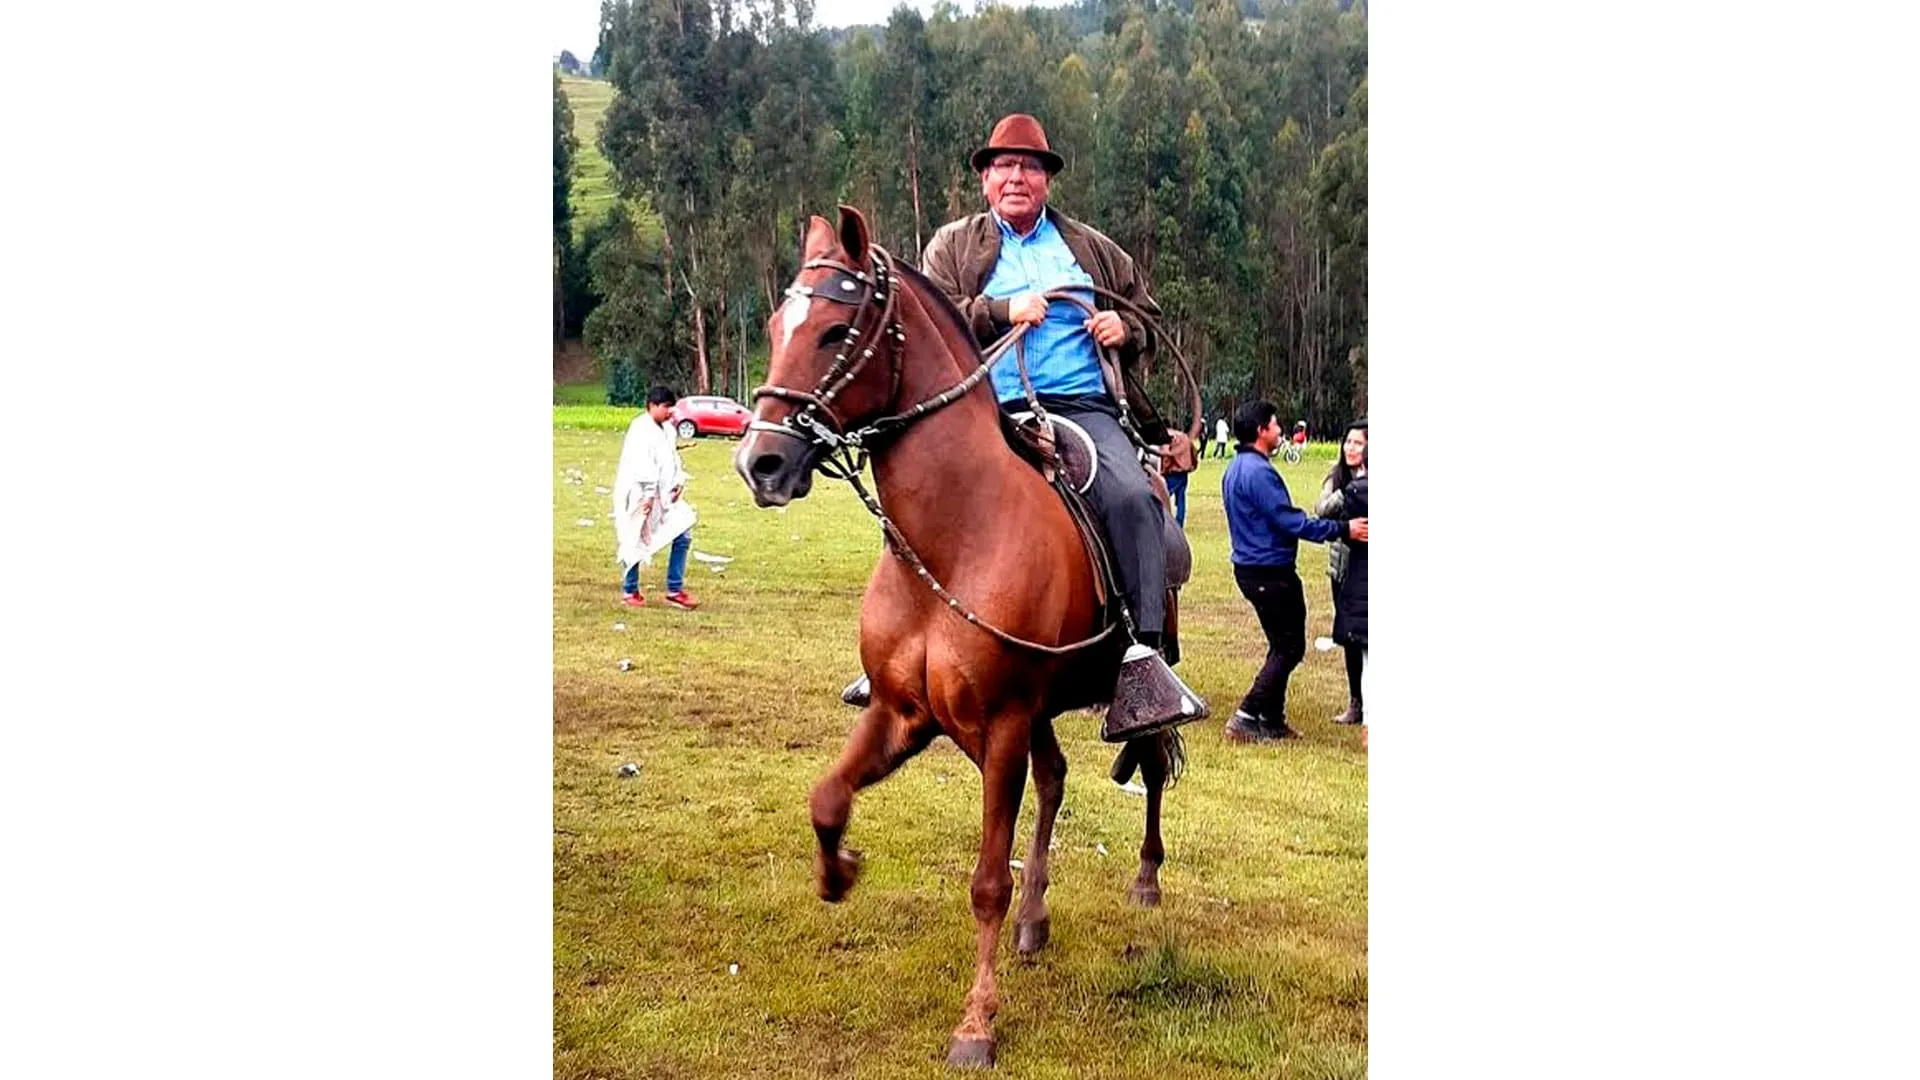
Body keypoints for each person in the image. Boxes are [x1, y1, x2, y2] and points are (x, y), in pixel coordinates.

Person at [917, 112, 1203, 737]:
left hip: (1082, 408)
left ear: (1047, 179)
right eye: (1004, 166)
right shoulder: (952, 246)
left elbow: (1147, 317)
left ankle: (1145, 663)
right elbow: (931, 320)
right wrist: (1001, 310)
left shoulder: (1091, 249)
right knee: (918, 496)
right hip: (986, 411)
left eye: (1029, 166)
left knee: (1133, 499)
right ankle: (903, 646)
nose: (1016, 177)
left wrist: (1125, 329)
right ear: (985, 179)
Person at [1220, 401, 1366, 742]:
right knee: (1289, 648)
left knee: (1280, 644)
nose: (1280, 430)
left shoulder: (1236, 468)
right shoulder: (1259, 473)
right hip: (1270, 572)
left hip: (1251, 569)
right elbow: (1290, 522)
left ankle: (1272, 719)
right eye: (1275, 424)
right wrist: (1343, 529)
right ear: (1261, 431)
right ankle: (1246, 715)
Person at [613, 385, 701, 610]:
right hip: (639, 494)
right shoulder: (640, 429)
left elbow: (672, 459)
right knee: (634, 538)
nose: (670, 411)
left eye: (672, 407)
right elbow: (642, 465)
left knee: (683, 532)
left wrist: (678, 481)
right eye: (665, 406)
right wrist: (649, 494)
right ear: (652, 405)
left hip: (665, 495)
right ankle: (630, 590)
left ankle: (674, 589)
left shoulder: (669, 430)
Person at [1316, 420, 1368, 726]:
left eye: (1358, 443)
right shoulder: (1337, 478)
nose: (1351, 448)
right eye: (1348, 441)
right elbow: (1321, 510)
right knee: (1350, 637)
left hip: (1366, 570)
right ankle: (1356, 700)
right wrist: (1349, 492)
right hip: (1342, 570)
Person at [1159, 429, 1197, 528]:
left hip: (1172, 473)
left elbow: (1166, 456)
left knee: (1163, 496)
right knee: (1181, 499)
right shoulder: (1185, 437)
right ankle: (1180, 522)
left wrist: (1163, 470)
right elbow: (1193, 453)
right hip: (1184, 473)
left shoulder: (1168, 436)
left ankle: (1163, 521)